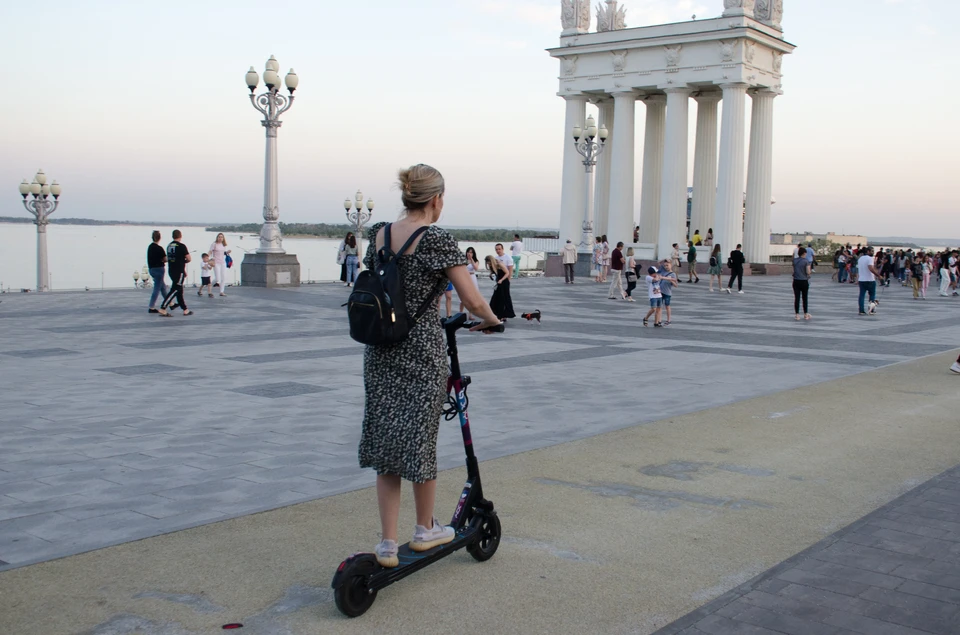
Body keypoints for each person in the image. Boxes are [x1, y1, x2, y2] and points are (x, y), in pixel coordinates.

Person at [360, 164, 501, 568]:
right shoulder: (436, 238)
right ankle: (425, 529)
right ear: (436, 199)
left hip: (380, 349)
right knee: (420, 440)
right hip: (421, 351)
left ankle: (387, 544)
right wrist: (492, 320)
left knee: (387, 444)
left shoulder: (380, 233)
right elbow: (472, 300)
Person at [159, 229, 192, 317]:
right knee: (175, 290)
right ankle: (163, 307)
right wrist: (184, 261)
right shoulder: (182, 246)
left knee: (179, 290)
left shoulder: (169, 246)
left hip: (171, 270)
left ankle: (185, 309)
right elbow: (189, 258)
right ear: (180, 236)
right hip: (179, 271)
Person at [485, 255, 515, 320]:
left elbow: (507, 273)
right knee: (495, 298)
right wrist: (491, 274)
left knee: (503, 298)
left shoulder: (499, 264)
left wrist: (501, 280)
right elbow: (495, 273)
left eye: (489, 263)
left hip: (504, 282)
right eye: (488, 264)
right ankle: (494, 313)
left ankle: (502, 315)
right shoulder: (493, 266)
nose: (489, 265)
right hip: (499, 282)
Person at [146, 230, 168, 314]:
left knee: (163, 287)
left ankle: (169, 302)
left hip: (152, 269)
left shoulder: (150, 247)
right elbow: (165, 259)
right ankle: (151, 307)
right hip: (159, 269)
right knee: (157, 288)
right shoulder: (159, 248)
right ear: (160, 238)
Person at [858, 246, 881, 315]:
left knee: (861, 295)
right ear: (867, 251)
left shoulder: (860, 259)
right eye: (871, 251)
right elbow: (871, 268)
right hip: (870, 280)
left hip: (861, 280)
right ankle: (871, 310)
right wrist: (878, 275)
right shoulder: (870, 258)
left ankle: (861, 310)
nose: (873, 252)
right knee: (872, 295)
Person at [459, 246, 481, 317]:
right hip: (465, 277)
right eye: (468, 252)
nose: (469, 254)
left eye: (471, 252)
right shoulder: (463, 260)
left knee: (472, 297)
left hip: (472, 276)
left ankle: (470, 314)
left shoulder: (475, 261)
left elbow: (476, 268)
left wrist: (471, 260)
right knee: (463, 296)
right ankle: (460, 313)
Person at [793, 247, 812, 321]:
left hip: (796, 280)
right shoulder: (806, 261)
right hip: (804, 281)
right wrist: (810, 273)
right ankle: (805, 314)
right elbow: (808, 272)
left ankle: (797, 314)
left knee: (797, 298)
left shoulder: (794, 260)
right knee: (805, 298)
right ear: (804, 253)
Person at [659, 260, 679, 324]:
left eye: (667, 265)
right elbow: (659, 262)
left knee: (667, 306)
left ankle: (669, 320)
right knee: (660, 306)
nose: (666, 267)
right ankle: (659, 319)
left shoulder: (673, 274)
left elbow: (676, 285)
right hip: (660, 291)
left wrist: (670, 280)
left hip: (667, 292)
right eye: (665, 265)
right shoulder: (663, 271)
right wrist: (665, 259)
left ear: (671, 265)